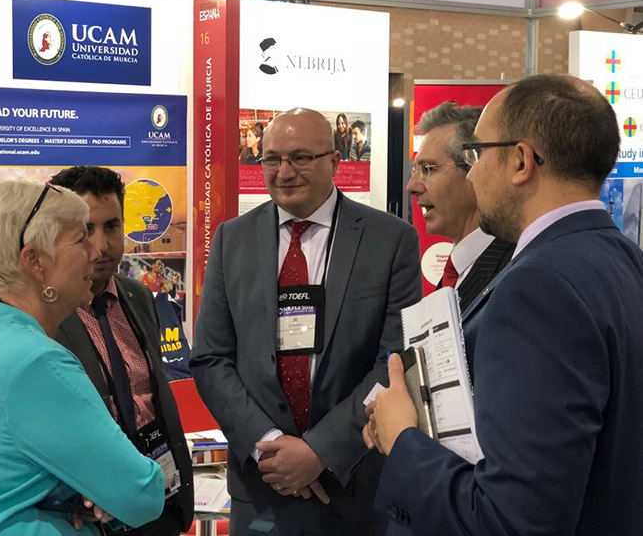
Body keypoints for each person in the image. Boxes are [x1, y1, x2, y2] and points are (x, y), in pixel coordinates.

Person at [367, 74, 643, 535]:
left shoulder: (537, 287)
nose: (473, 174)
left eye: (477, 154)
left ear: (520, 161)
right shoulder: (624, 258)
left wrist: (402, 439)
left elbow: (510, 519)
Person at [191, 108, 422, 536]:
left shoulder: (391, 240)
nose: (284, 172)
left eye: (300, 157)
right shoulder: (231, 239)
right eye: (272, 159)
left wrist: (320, 450)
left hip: (353, 487)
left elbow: (394, 362)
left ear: (335, 161)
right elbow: (211, 359)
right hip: (262, 486)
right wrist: (268, 445)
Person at [0, 180, 165, 536]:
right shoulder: (36, 363)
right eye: (80, 238)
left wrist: (78, 492)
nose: (95, 252)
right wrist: (94, 492)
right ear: (35, 261)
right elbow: (142, 493)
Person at [48, 166, 194, 536]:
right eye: (86, 231)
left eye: (112, 226)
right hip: (91, 511)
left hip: (158, 496)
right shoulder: (43, 315)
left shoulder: (138, 296)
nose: (101, 245)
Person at [408, 102, 514, 308]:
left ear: (476, 170)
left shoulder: (513, 272)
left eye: (428, 169)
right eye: (415, 170)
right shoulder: (457, 270)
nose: (412, 187)